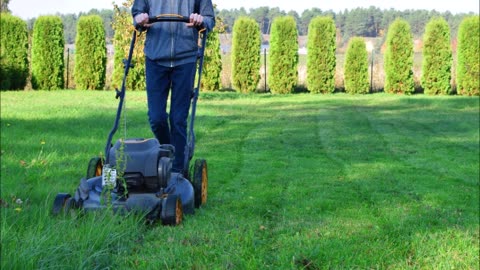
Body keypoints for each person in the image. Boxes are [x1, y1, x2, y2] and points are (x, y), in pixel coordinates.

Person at [132, 0, 215, 174]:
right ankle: (171, 151)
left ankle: (178, 171)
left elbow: (209, 20)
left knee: (178, 120)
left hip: (185, 58)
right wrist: (139, 19)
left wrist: (200, 19)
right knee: (156, 118)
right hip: (155, 58)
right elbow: (137, 14)